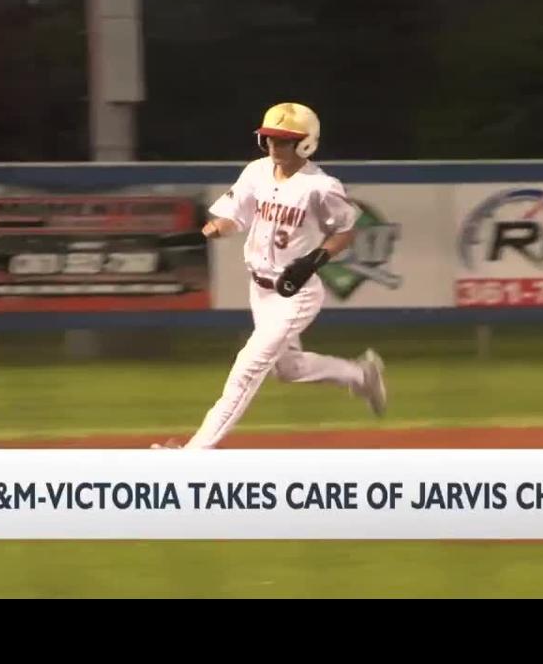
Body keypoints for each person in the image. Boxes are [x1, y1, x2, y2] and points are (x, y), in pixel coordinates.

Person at [165, 103, 386, 450]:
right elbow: (235, 218)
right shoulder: (256, 172)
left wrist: (314, 259)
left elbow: (346, 230)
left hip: (296, 292)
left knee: (248, 366)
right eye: (268, 138)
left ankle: (194, 453)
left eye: (283, 140)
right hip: (261, 289)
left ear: (306, 143)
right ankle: (360, 375)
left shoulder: (321, 186)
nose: (273, 146)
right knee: (290, 369)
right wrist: (214, 229)